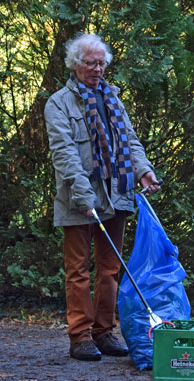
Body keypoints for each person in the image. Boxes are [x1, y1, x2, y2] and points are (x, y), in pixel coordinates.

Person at [44, 33, 160, 361]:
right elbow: (64, 153)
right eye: (90, 63)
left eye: (101, 63)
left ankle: (104, 333)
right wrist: (83, 195)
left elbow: (131, 141)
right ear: (74, 64)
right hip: (78, 199)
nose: (97, 69)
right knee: (78, 269)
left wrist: (143, 171)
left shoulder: (113, 99)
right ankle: (80, 337)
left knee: (110, 269)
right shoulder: (58, 103)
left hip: (116, 195)